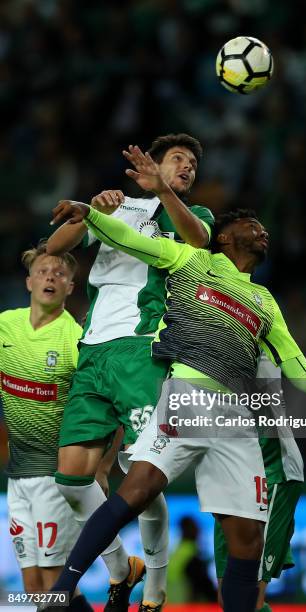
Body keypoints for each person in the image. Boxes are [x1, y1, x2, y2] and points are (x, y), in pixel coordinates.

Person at [40, 199, 306, 612]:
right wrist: (93, 214)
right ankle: (62, 590)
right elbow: (128, 237)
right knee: (137, 490)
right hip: (188, 397)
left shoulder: (264, 300)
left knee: (248, 539)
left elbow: (300, 370)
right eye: (253, 224)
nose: (264, 231)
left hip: (237, 419)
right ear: (225, 236)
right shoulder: (193, 260)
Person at [46, 134, 214, 612]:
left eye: (192, 165)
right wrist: (86, 213)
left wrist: (164, 191)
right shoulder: (118, 208)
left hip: (144, 351)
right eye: (177, 159)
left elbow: (199, 243)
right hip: (93, 349)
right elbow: (54, 251)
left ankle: (155, 595)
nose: (187, 168)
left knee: (140, 475)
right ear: (155, 164)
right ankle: (123, 570)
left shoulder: (192, 216)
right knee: (71, 481)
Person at [0, 240, 93, 611]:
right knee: (33, 583)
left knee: (55, 581)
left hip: (56, 476)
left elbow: (101, 405)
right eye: (42, 271)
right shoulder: (6, 325)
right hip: (18, 476)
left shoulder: (75, 339)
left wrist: (98, 465)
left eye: (59, 273)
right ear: (29, 283)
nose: (50, 277)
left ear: (70, 287)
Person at [214, 356, 304, 612]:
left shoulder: (257, 346)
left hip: (271, 474)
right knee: (228, 599)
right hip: (227, 484)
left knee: (249, 598)